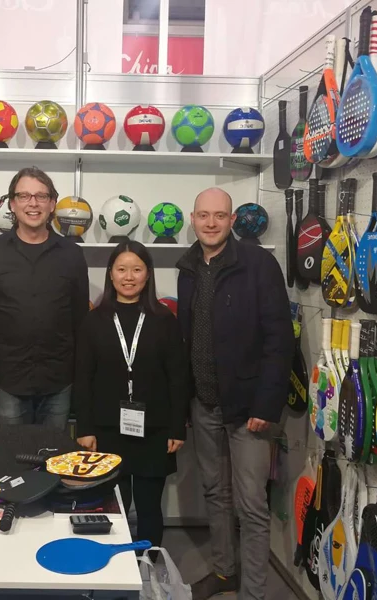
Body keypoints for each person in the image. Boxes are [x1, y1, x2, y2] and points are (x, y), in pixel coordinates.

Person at [177, 187, 294, 600]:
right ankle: (224, 572)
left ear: (232, 220)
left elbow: (280, 339)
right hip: (204, 402)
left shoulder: (258, 264)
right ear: (193, 219)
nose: (210, 223)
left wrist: (267, 403)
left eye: (219, 215)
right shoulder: (188, 267)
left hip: (249, 409)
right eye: (203, 215)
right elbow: (188, 337)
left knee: (251, 505)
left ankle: (254, 593)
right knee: (216, 494)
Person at [74, 241, 188, 548]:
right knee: (114, 506)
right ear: (110, 274)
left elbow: (178, 378)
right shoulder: (93, 320)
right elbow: (82, 378)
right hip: (107, 430)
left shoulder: (165, 320)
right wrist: (84, 428)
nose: (128, 277)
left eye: (136, 269)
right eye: (121, 269)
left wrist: (177, 427)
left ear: (147, 274)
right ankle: (118, 564)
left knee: (150, 507)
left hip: (155, 430)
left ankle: (149, 564)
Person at [0, 166, 89, 429]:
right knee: (12, 452)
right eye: (24, 196)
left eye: (41, 196)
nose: (33, 203)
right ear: (12, 204)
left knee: (54, 451)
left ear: (52, 204)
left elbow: (80, 319)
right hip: (7, 380)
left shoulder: (72, 255)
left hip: (59, 380)